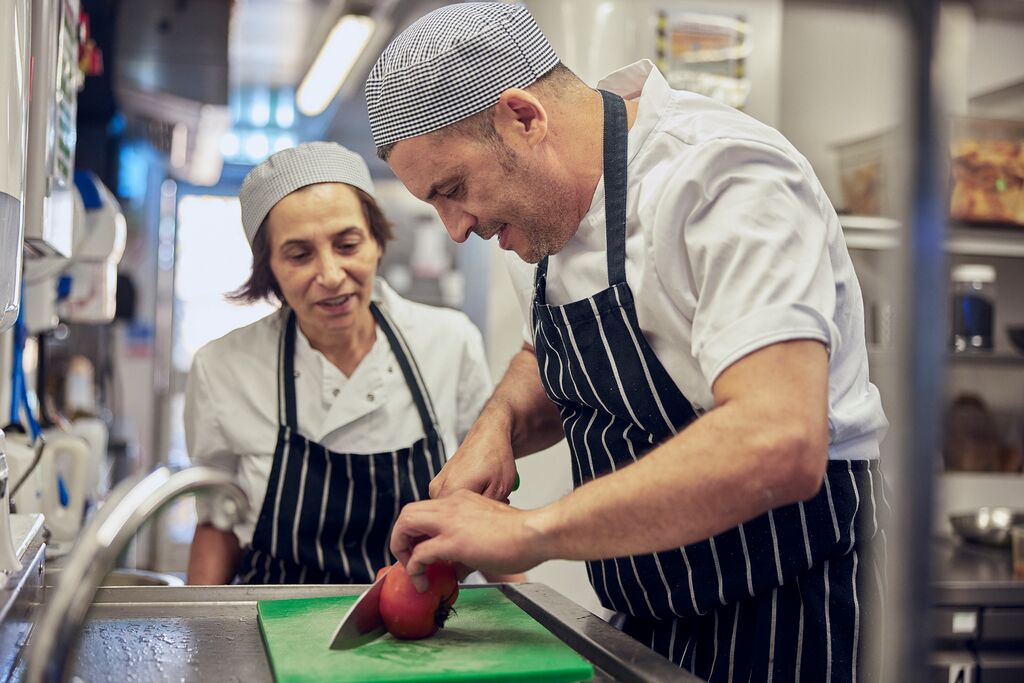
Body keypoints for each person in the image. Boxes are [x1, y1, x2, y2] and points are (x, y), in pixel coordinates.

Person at [366, 4, 890, 681]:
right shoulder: (542, 215)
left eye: (454, 190)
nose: (456, 228)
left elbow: (779, 439)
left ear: (523, 118)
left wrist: (528, 530)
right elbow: (549, 353)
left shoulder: (725, 177)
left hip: (793, 614)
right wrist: (498, 426)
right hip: (651, 621)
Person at [184, 141, 499, 585]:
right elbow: (218, 522)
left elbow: (481, 509)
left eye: (347, 244)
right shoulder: (223, 368)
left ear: (376, 242)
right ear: (269, 268)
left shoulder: (449, 343)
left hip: (425, 622)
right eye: (299, 255)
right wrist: (203, 637)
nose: (331, 275)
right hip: (272, 621)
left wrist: (531, 616)